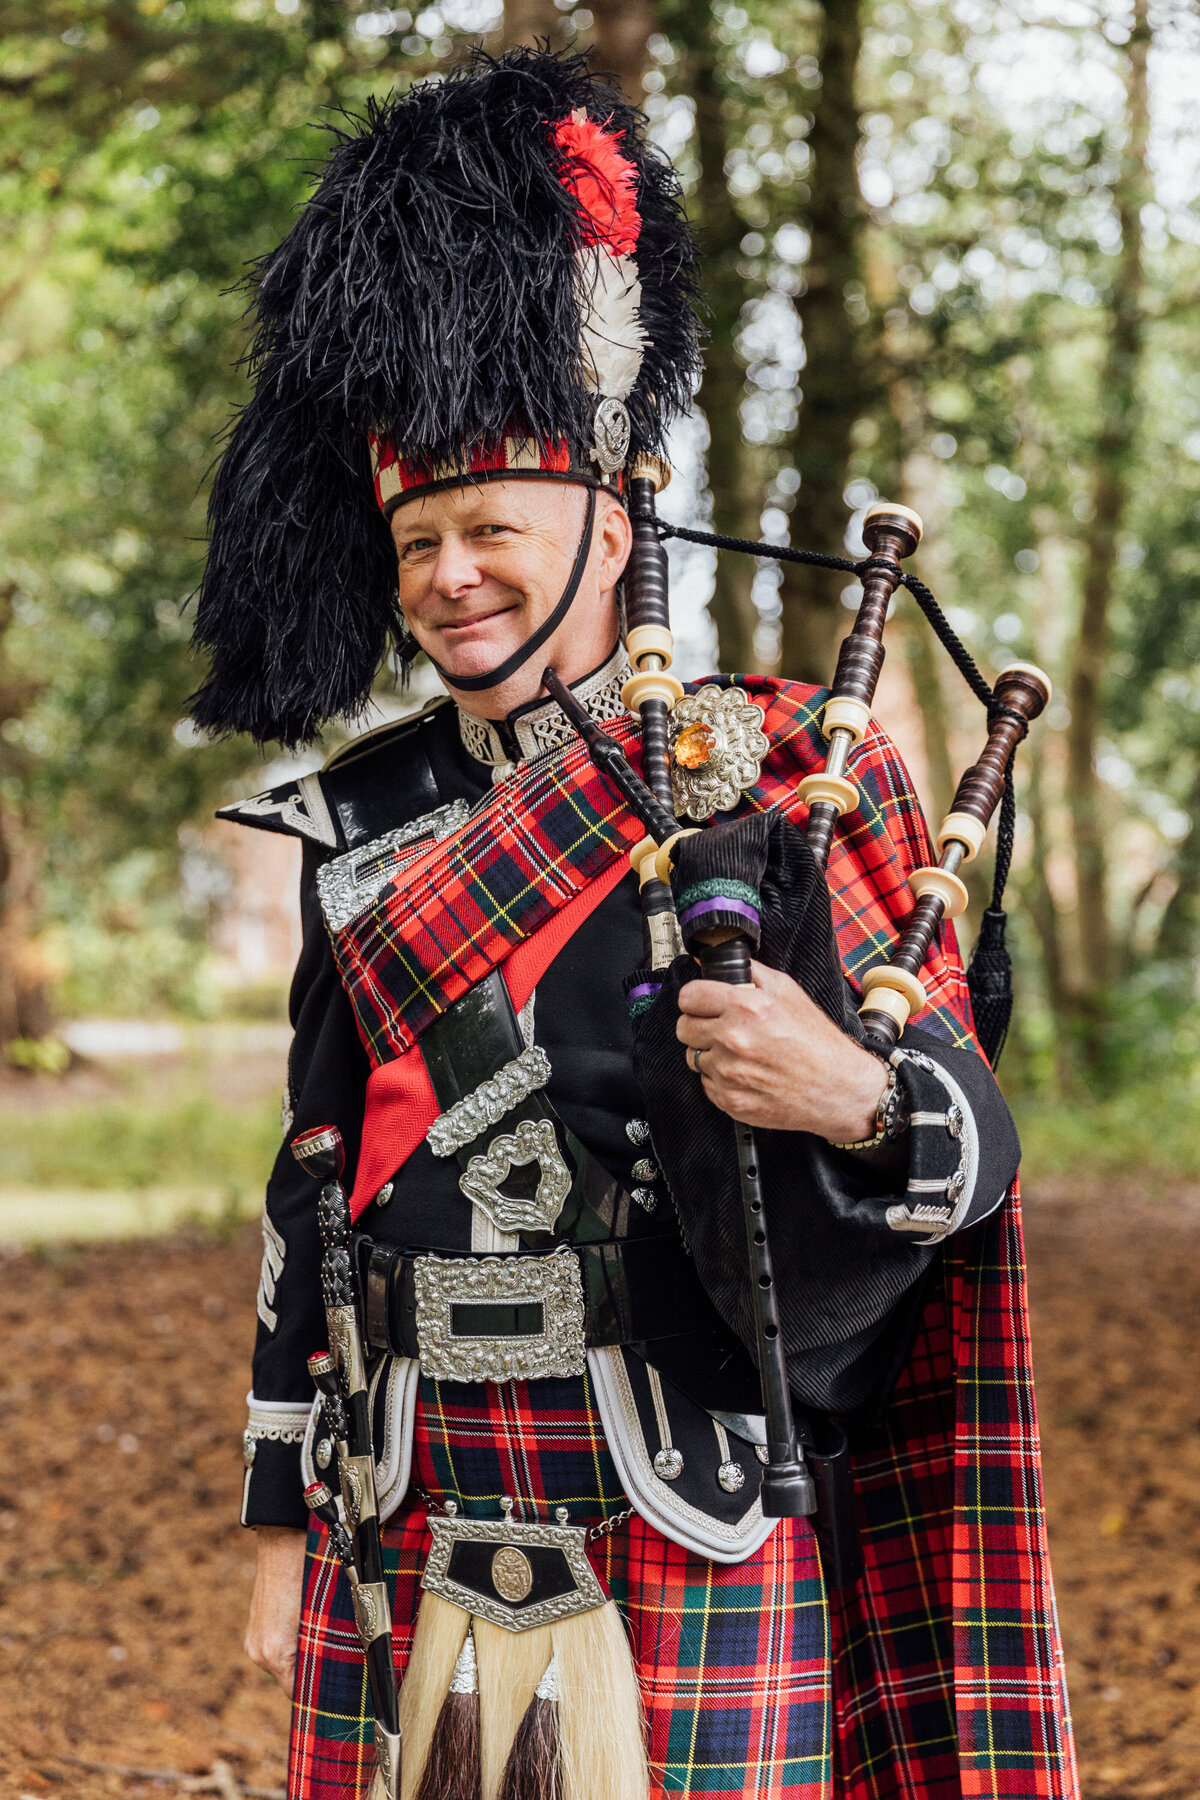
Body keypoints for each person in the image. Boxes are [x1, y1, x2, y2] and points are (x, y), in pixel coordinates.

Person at [195, 47, 1078, 1800]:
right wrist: (277, 1515)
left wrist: (842, 1089)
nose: (454, 577)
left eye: (495, 530)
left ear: (614, 526)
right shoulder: (356, 818)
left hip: (688, 1485)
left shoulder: (790, 776)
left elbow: (971, 1153)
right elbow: (311, 1185)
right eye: (421, 539)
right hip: (412, 1478)